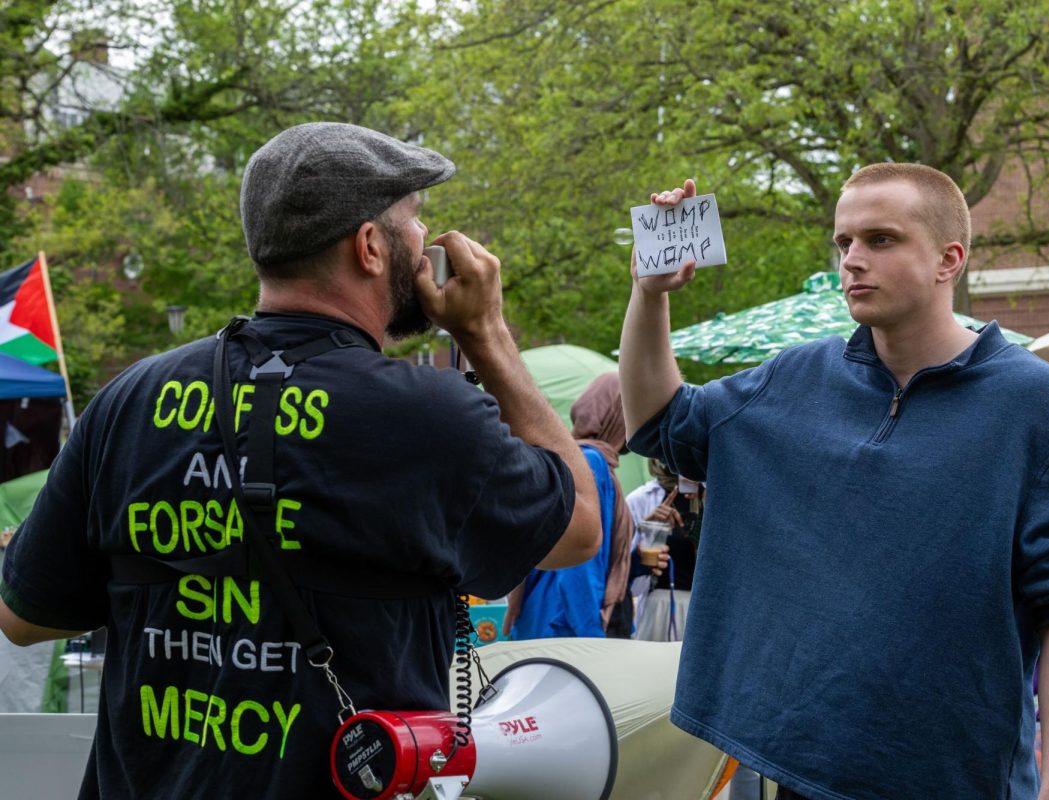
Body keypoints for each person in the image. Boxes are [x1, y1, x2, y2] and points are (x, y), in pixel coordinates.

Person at [0, 122, 601, 799]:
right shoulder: (428, 417)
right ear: (369, 247)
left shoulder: (127, 401)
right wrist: (486, 334)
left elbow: (24, 616)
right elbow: (580, 524)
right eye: (415, 221)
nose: (426, 242)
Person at [618, 165, 1049, 800]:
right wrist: (649, 294)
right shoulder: (793, 379)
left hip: (960, 778)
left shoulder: (1034, 401)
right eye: (844, 242)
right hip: (802, 772)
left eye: (880, 240)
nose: (853, 260)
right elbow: (660, 422)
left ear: (948, 259)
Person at [503, 372, 637, 639]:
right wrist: (592, 637)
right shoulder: (591, 464)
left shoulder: (568, 457)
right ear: (617, 415)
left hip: (541, 618)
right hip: (566, 628)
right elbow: (580, 561)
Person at [626, 459, 703, 641]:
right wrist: (650, 530)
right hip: (658, 611)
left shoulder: (717, 498)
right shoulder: (641, 499)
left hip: (703, 611)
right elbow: (629, 584)